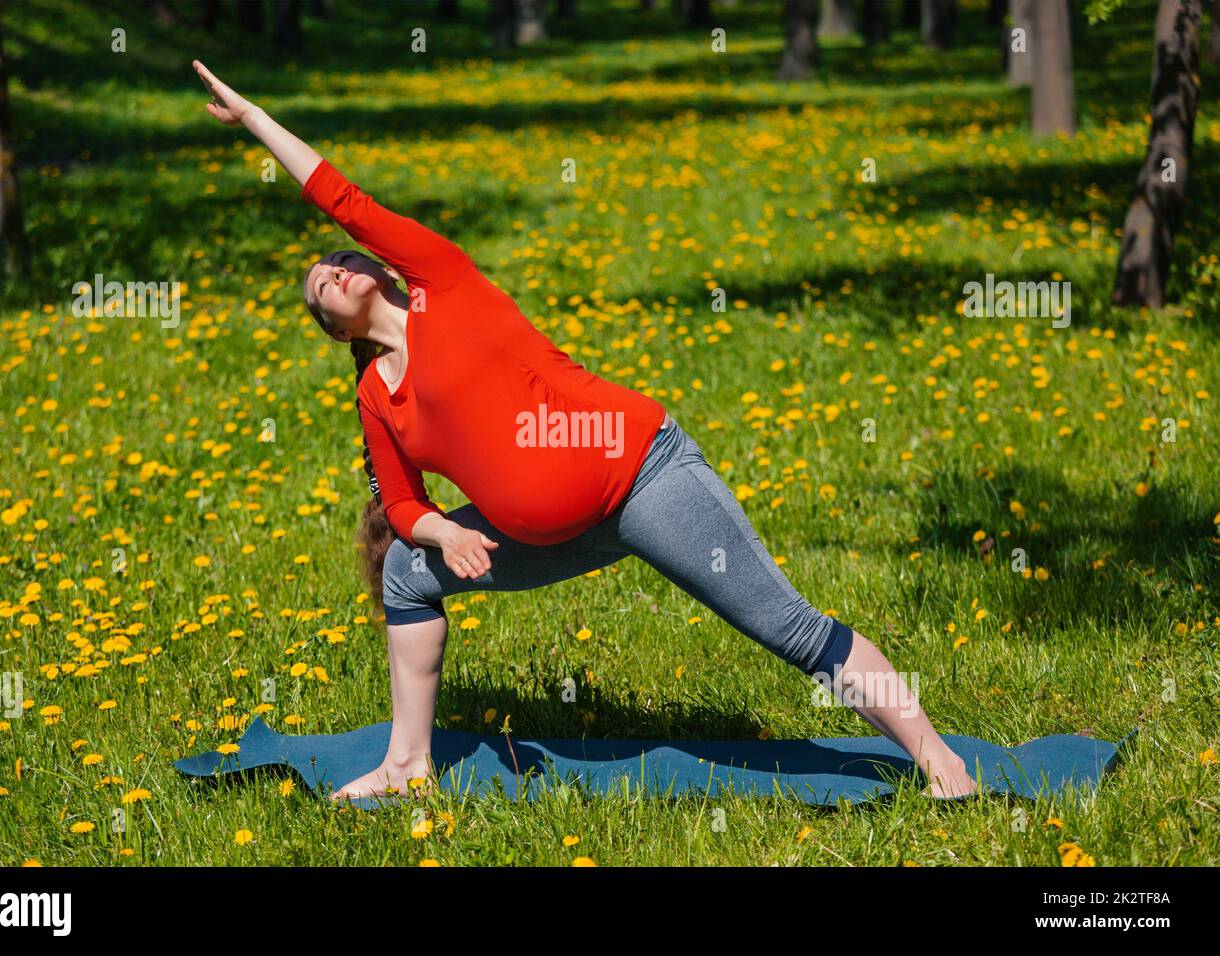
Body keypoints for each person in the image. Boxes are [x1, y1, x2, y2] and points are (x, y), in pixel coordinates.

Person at [192, 60, 979, 803]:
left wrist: (256, 117)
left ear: (383, 270)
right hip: (542, 536)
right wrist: (438, 531)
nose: (329, 271)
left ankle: (934, 755)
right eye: (317, 287)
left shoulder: (443, 283)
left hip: (644, 479)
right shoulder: (375, 396)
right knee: (405, 569)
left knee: (789, 628)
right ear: (333, 330)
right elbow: (397, 500)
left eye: (336, 261)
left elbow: (343, 199)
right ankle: (406, 766)